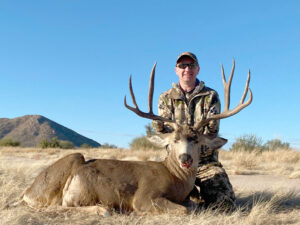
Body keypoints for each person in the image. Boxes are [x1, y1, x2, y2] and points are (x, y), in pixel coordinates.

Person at [152, 52, 236, 211]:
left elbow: (212, 134)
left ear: (197, 69)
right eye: (182, 65)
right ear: (176, 70)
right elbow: (162, 131)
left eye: (191, 65)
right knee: (159, 199)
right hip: (175, 165)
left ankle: (194, 194)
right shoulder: (165, 97)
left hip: (205, 163)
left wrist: (207, 125)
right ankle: (189, 194)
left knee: (225, 206)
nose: (186, 69)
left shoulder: (210, 96)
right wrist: (156, 122)